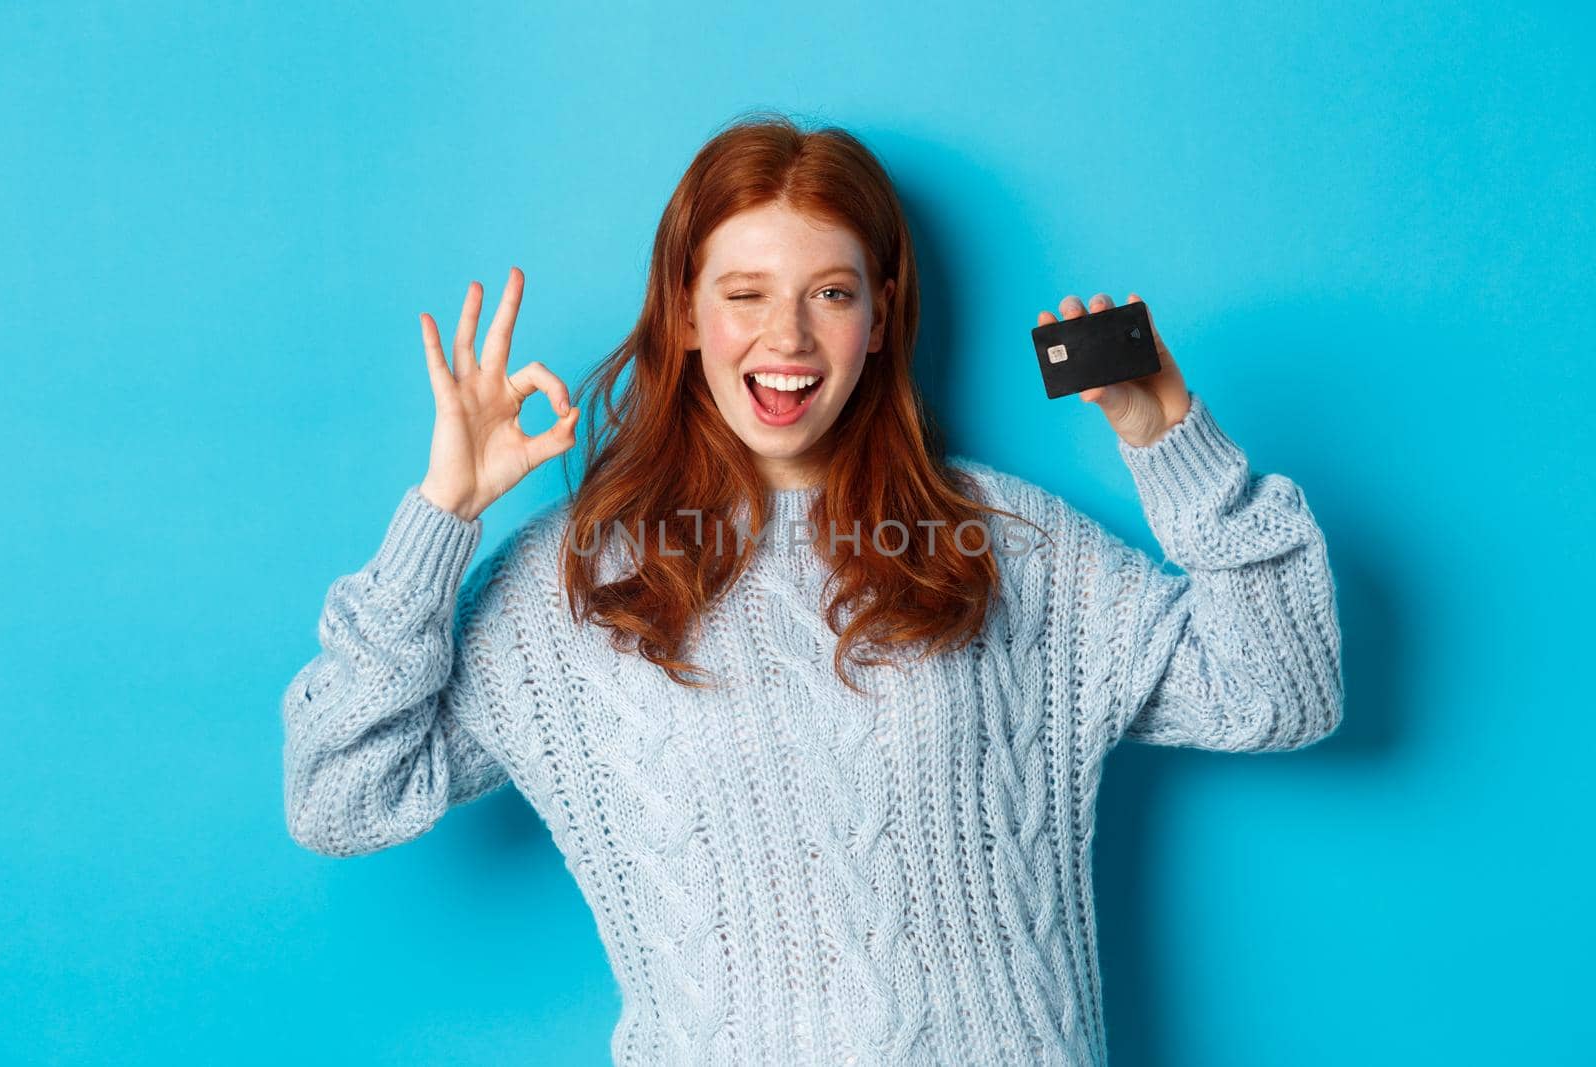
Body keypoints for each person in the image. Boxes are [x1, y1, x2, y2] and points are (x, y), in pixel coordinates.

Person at [280, 111, 1343, 1067]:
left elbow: (1281, 693)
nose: (785, 339)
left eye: (828, 295)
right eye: (743, 294)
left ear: (880, 319)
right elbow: (339, 795)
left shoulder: (1006, 542)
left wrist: (1170, 442)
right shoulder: (578, 581)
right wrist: (442, 512)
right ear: (686, 314)